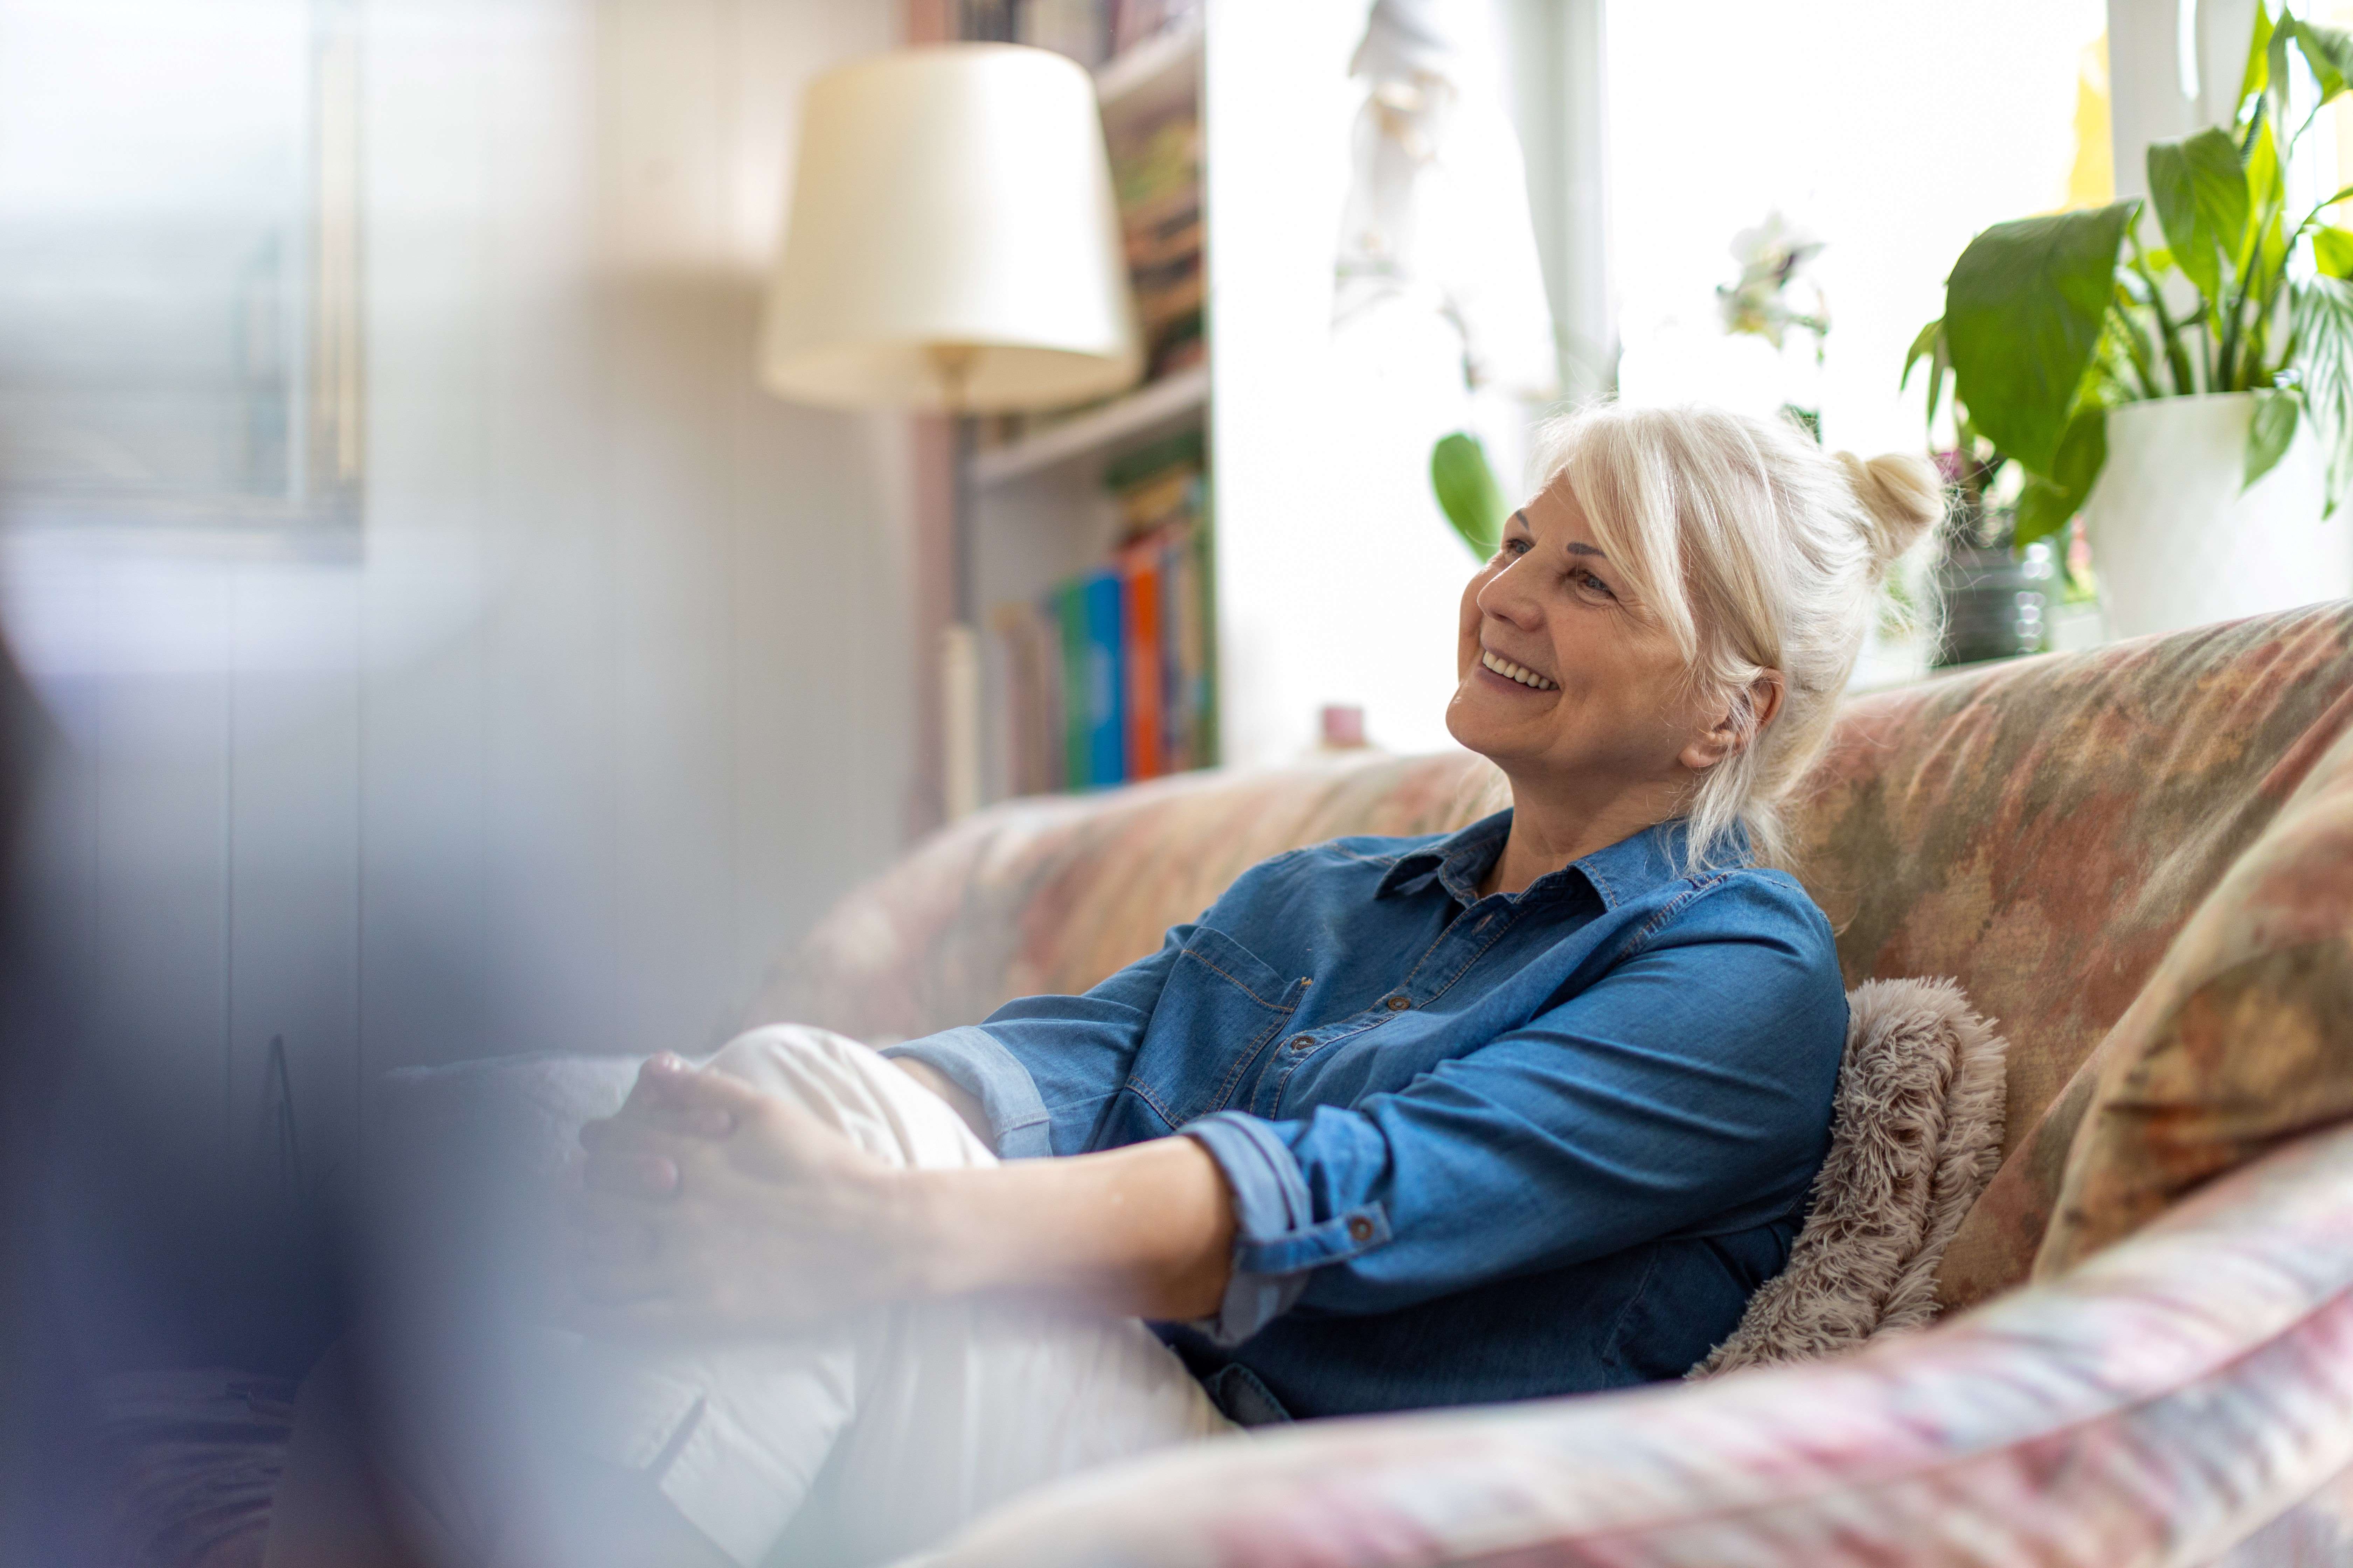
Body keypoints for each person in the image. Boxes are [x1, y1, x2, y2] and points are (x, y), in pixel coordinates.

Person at [272, 402, 1940, 1568]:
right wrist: (776, 1151)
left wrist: (873, 1220)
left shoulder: (1735, 971)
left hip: (1306, 1489)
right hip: (1097, 1389)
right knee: (600, 1171)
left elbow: (1363, 1194)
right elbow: (1052, 1065)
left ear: (1731, 709)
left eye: (1588, 579)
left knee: (731, 1188)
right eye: (1518, 543)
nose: (1503, 593)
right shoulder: (1330, 894)